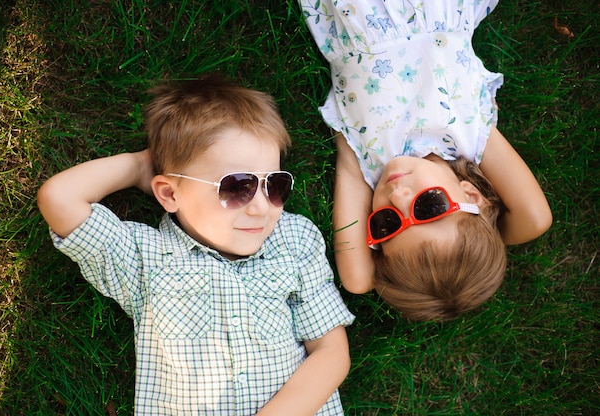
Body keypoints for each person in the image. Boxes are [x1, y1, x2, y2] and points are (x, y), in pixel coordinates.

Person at [37, 75, 355, 415]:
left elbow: (331, 353)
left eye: (274, 185)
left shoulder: (293, 240)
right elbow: (59, 198)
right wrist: (138, 166)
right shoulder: (147, 258)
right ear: (169, 194)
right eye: (236, 187)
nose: (262, 206)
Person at [300, 0, 552, 321]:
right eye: (429, 206)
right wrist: (478, 238)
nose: (399, 196)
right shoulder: (471, 135)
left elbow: (357, 280)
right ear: (472, 196)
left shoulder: (364, 161)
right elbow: (535, 219)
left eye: (387, 225)